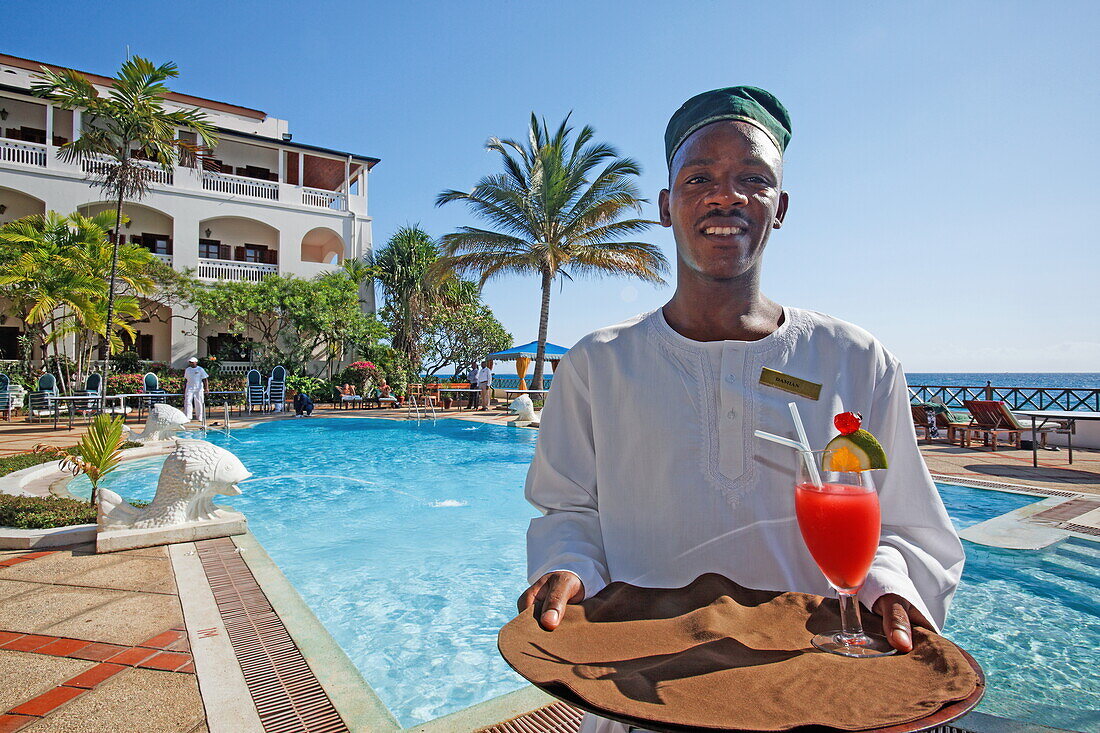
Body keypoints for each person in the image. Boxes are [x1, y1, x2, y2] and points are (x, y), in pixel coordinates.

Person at [518, 87, 964, 733]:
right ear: (667, 206)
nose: (725, 195)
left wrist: (892, 587)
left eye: (751, 179)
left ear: (778, 207)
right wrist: (568, 566)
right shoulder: (600, 363)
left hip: (815, 689)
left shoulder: (855, 359)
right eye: (699, 177)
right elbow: (569, 510)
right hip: (639, 691)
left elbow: (907, 524)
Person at [182, 357, 208, 422]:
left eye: (192, 362)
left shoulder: (200, 369)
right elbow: (186, 380)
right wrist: (184, 389)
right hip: (189, 388)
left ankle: (200, 416)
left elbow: (205, 379)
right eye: (190, 362)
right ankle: (188, 417)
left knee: (199, 402)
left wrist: (206, 388)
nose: (191, 363)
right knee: (188, 401)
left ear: (196, 362)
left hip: (198, 388)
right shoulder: (187, 370)